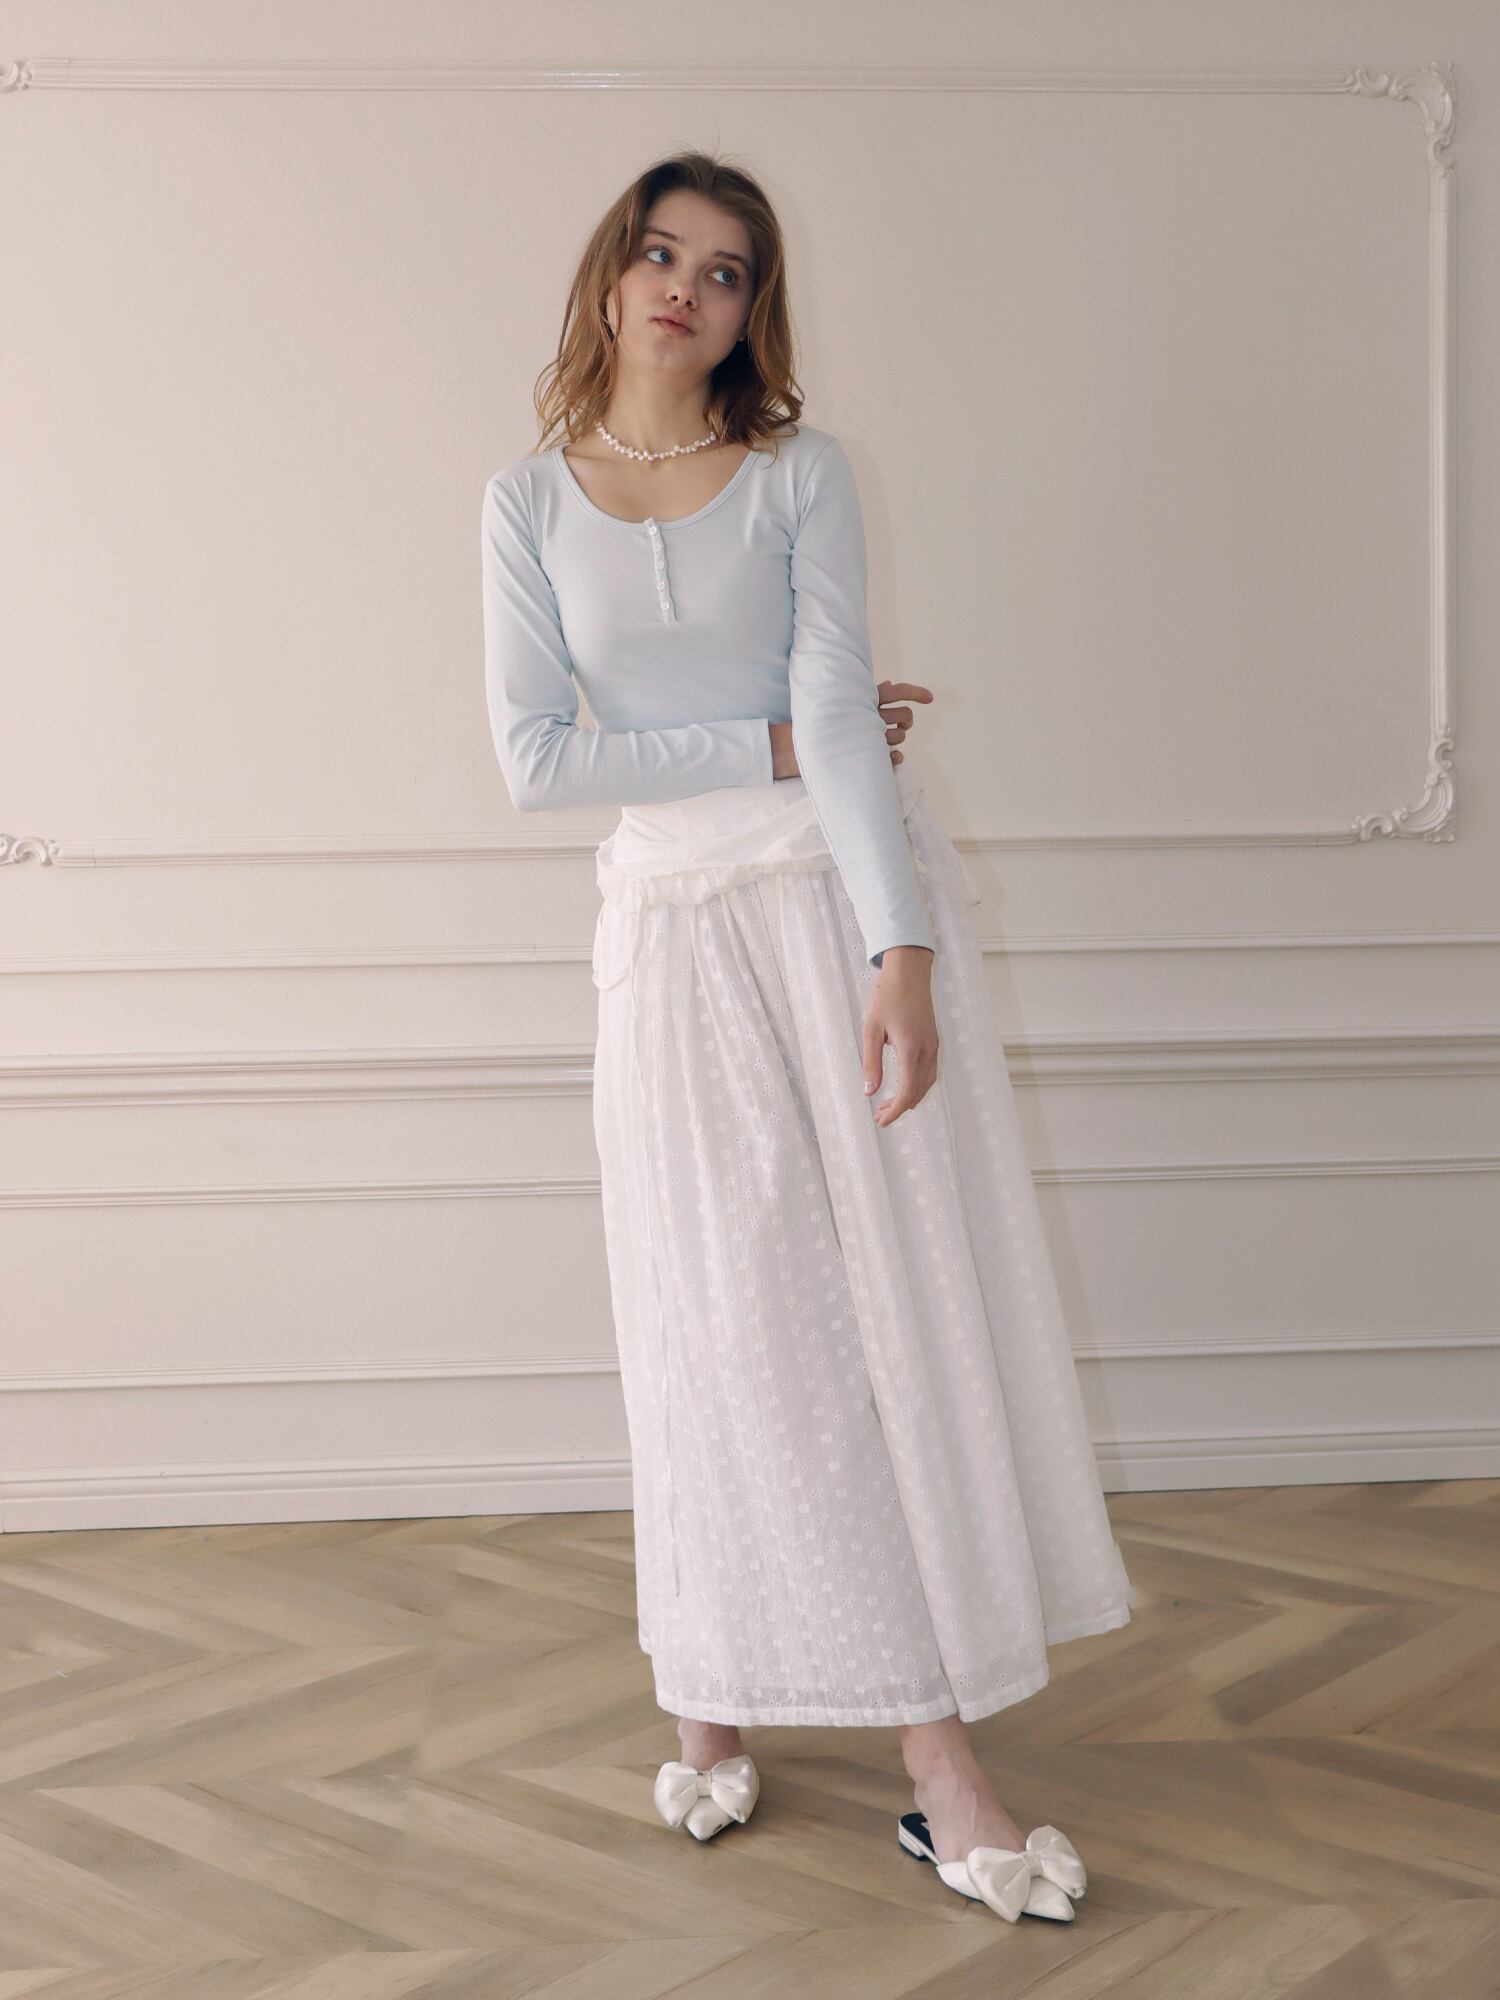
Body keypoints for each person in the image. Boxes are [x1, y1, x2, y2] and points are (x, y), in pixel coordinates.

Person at [480, 149, 1136, 1925]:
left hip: (825, 911)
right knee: (706, 1317)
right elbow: (536, 763)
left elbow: (843, 715)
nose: (686, 289)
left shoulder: (801, 474)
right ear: (610, 274)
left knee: (872, 1330)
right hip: (670, 940)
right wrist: (764, 738)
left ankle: (939, 1763)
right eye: (661, 253)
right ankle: (710, 1686)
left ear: (754, 309)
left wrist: (897, 948)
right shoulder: (525, 503)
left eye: (728, 271)